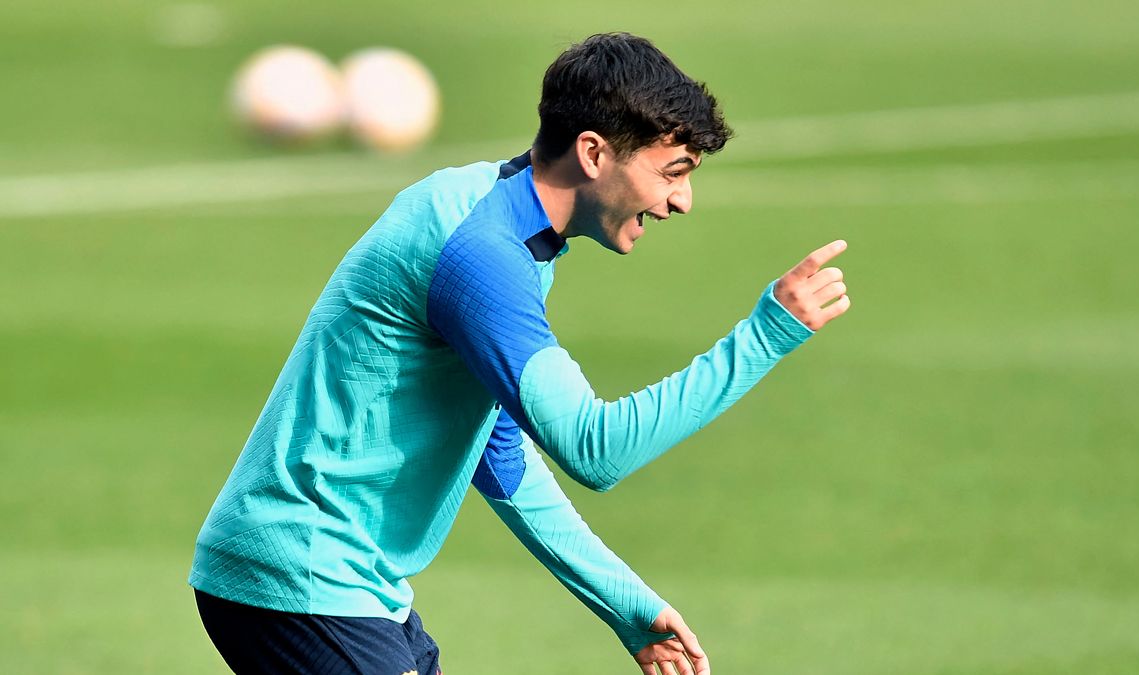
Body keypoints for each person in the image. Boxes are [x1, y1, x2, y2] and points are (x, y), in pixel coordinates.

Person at [190, 32, 850, 675]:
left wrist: (622, 601)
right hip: (302, 580)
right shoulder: (482, 256)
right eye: (671, 171)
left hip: (341, 584)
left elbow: (497, 451)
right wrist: (767, 334)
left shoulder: (499, 221)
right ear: (593, 152)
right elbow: (596, 448)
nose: (682, 199)